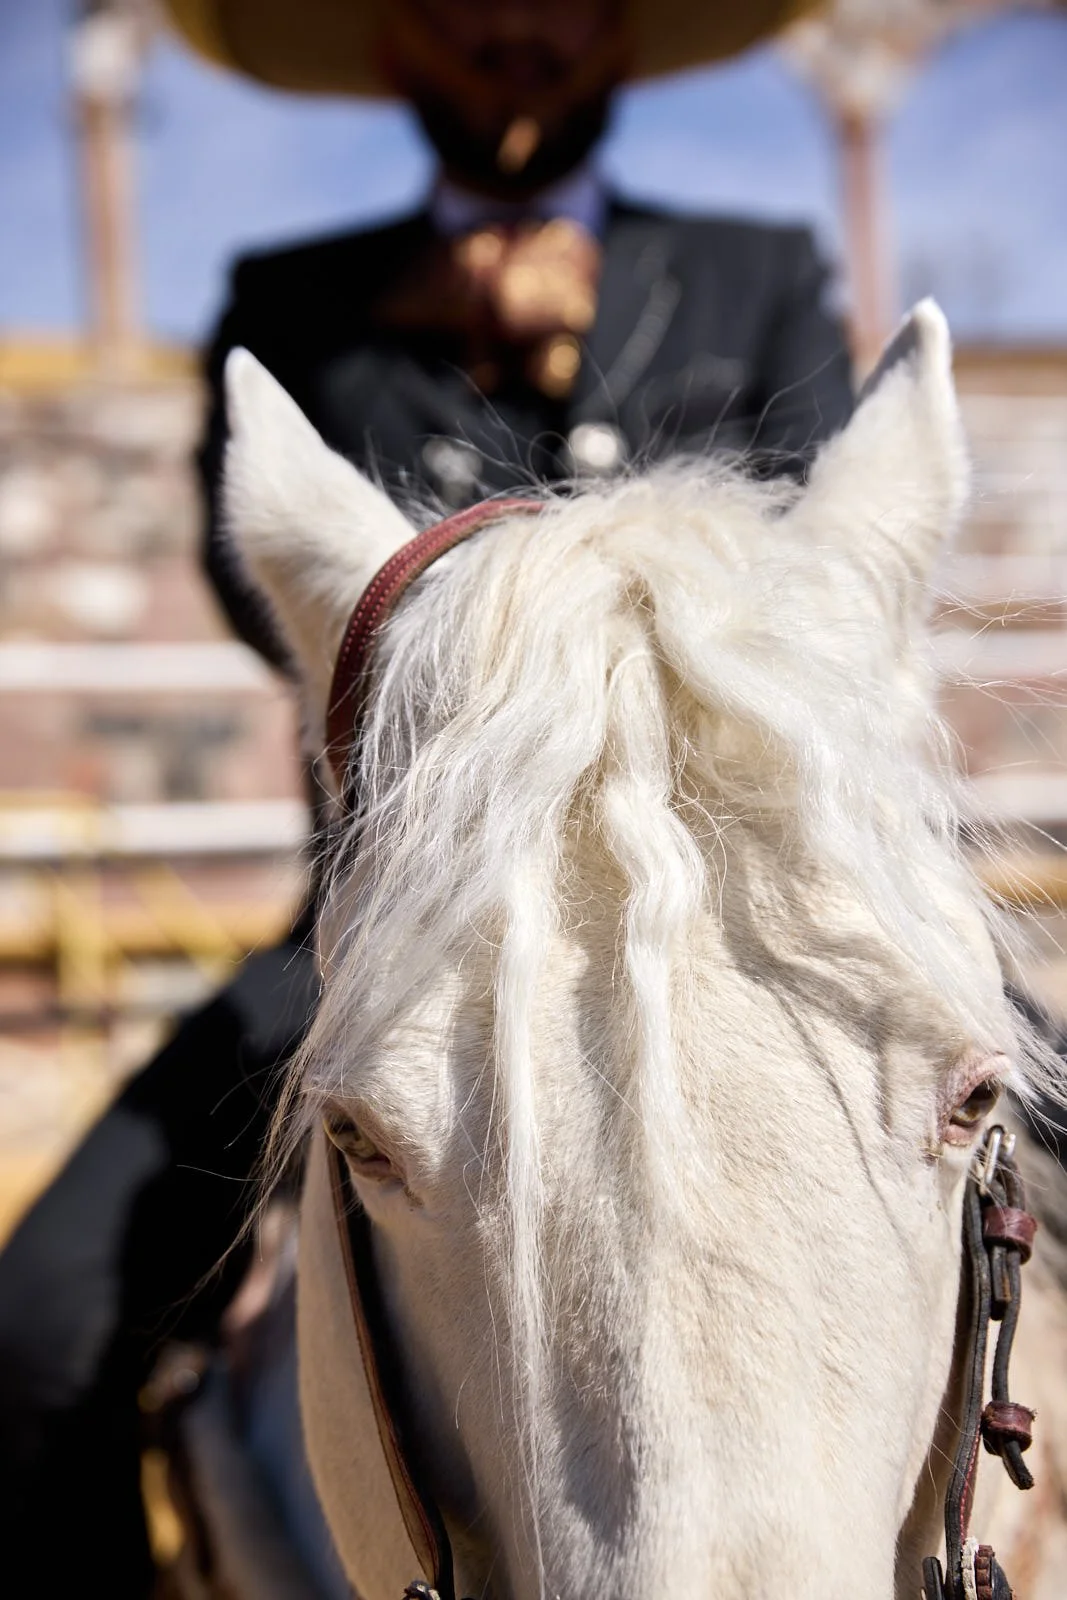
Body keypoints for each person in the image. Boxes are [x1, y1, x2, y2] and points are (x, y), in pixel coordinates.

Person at [0, 2, 854, 1594]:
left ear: (617, 39)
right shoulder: (297, 303)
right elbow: (255, 586)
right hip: (391, 923)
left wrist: (572, 387)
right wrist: (427, 345)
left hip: (751, 916)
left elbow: (821, 594)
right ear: (397, 45)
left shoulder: (760, 266)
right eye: (470, 0)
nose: (521, 30)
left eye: (566, 2)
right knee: (35, 1325)